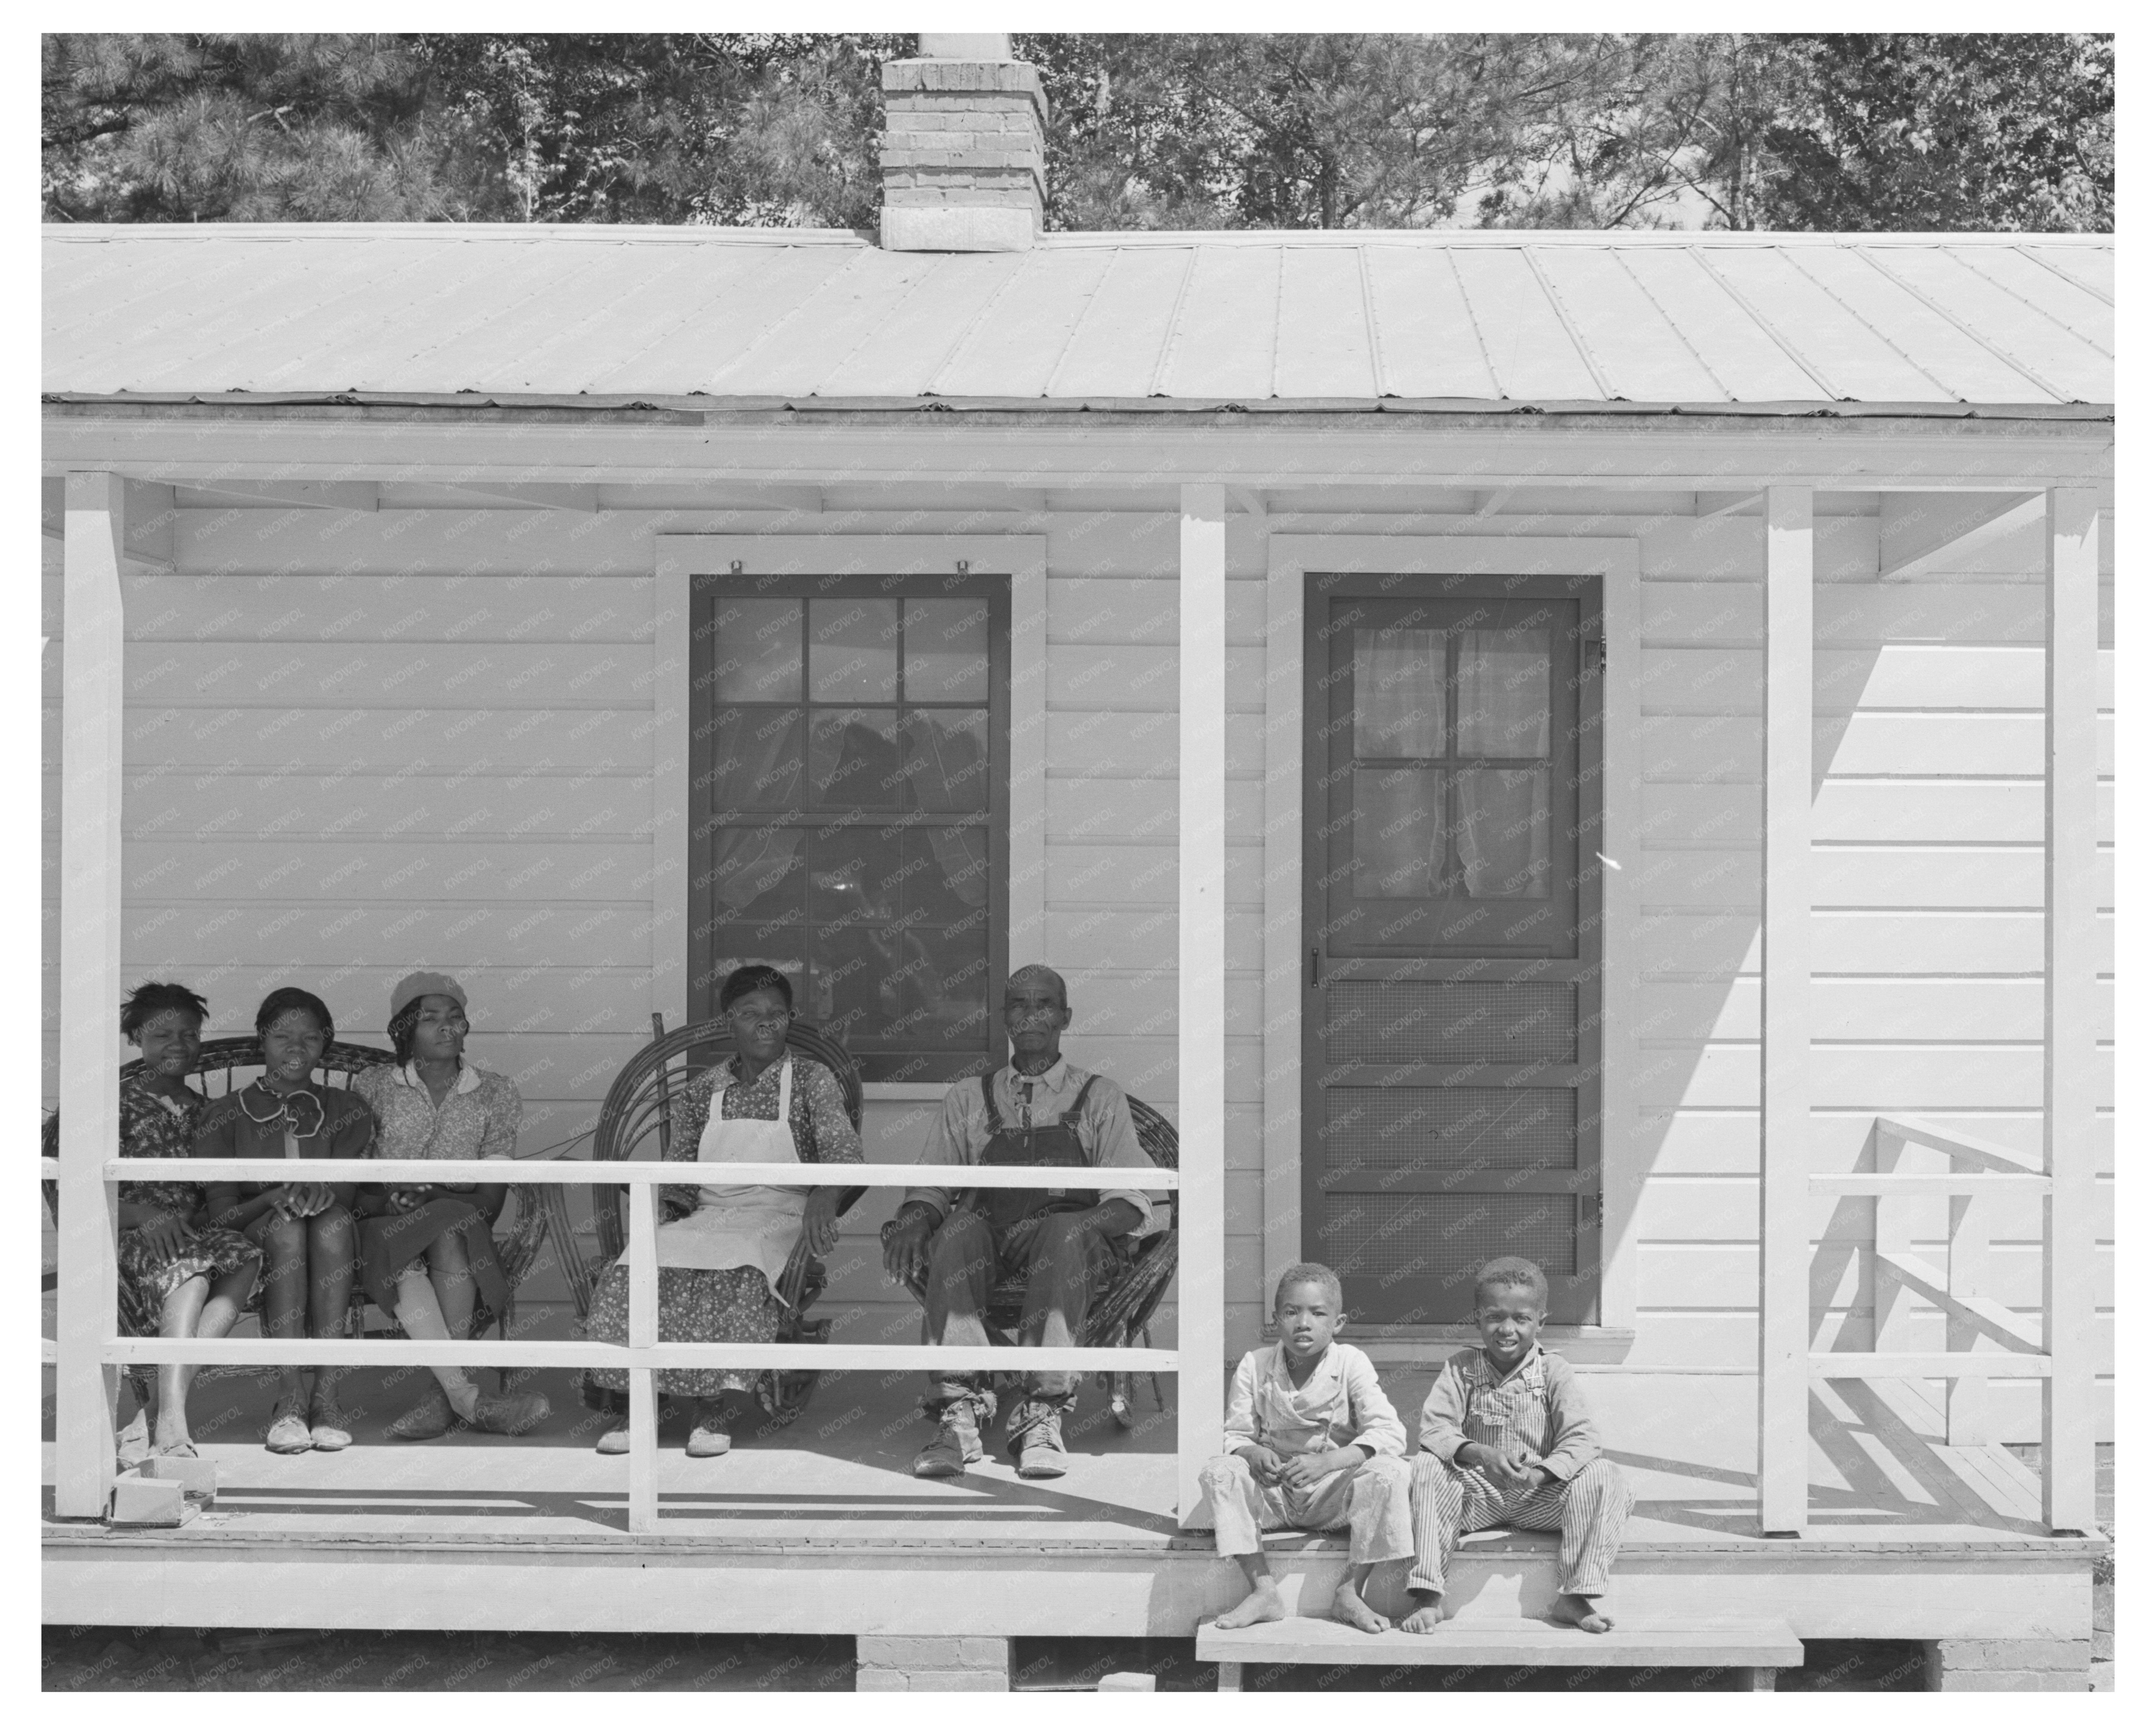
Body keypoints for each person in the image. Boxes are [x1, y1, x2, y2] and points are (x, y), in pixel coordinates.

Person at [881, 964, 1165, 1482]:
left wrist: (1080, 1224)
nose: (1031, 1015)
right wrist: (915, 1217)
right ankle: (958, 1413)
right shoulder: (970, 1097)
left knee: (1062, 1234)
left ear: (1065, 1017)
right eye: (1018, 1005)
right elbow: (933, 1183)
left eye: (1044, 1005)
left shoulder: (1099, 1096)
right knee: (957, 1231)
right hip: (993, 1239)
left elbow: (1130, 1202)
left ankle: (1042, 1413)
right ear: (1004, 1017)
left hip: (1073, 1251)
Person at [580, 963, 861, 1457]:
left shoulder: (812, 1080)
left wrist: (823, 1194)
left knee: (737, 1260)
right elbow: (681, 1171)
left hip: (780, 1212)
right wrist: (663, 1212)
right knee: (642, 1262)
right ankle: (637, 1401)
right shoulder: (706, 1089)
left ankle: (711, 1408)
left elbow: (846, 1156)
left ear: (790, 1019)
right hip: (709, 1210)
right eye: (751, 1013)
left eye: (776, 1013)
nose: (765, 1023)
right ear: (730, 1021)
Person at [350, 973, 549, 1440]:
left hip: (461, 1222)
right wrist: (393, 1199)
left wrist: (433, 1195)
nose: (447, 1028)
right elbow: (357, 1179)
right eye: (430, 1019)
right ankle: (465, 1397)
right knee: (415, 1244)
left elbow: (490, 1200)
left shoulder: (496, 1091)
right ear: (404, 1031)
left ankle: (446, 1397)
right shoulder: (374, 1084)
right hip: (384, 1219)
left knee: (447, 1225)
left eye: (455, 1017)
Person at [1401, 1255, 1634, 1635]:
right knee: (1425, 1466)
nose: (1507, 1329)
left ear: (1541, 1321)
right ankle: (1429, 1592)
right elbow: (1435, 1430)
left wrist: (1541, 1474)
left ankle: (1574, 1595)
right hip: (1476, 1497)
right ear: (1477, 1317)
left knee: (1605, 1474)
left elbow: (1582, 1438)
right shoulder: (1461, 1368)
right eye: (1495, 1316)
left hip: (1538, 1499)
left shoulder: (1553, 1371)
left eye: (1521, 1319)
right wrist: (1480, 1454)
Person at [195, 988, 371, 1455]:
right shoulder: (225, 1114)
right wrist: (274, 1197)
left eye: (310, 1038)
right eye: (282, 1036)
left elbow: (352, 1193)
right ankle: (290, 1396)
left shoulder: (346, 1110)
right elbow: (222, 1216)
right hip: (257, 1229)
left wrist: (325, 1191)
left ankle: (327, 1396)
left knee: (330, 1224)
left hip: (330, 1228)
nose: (297, 1048)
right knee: (287, 1228)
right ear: (262, 1040)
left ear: (324, 1044)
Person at [1201, 1264, 1412, 1634]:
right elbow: (1234, 1435)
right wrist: (1251, 1454)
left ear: (1338, 1323)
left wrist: (1330, 1461)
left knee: (1391, 1471)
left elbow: (1391, 1433)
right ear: (1275, 1320)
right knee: (1219, 1471)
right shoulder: (1256, 1364)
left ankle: (1350, 1591)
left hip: (1332, 1497)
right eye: (1291, 1312)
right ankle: (1264, 1591)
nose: (1303, 1323)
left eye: (1318, 1314)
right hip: (1275, 1494)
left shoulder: (1350, 1362)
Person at [107, 982, 264, 1460]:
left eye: (189, 1034)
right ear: (136, 1039)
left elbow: (211, 1191)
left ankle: (155, 1406)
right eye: (162, 1035)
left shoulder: (208, 1111)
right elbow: (68, 1186)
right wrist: (144, 1215)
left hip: (190, 1231)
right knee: (193, 1272)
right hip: (130, 1233)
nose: (178, 1044)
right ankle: (174, 1420)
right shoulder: (114, 1105)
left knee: (245, 1257)